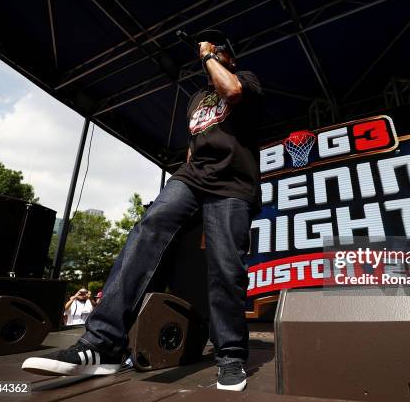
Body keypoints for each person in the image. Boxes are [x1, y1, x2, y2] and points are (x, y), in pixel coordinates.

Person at [22, 29, 263, 392]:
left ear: (229, 55)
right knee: (148, 227)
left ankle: (230, 354)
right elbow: (193, 146)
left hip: (232, 185)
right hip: (192, 177)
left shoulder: (245, 79)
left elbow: (231, 92)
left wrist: (208, 56)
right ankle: (102, 344)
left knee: (226, 265)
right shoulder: (196, 98)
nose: (210, 52)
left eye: (218, 49)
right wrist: (185, 181)